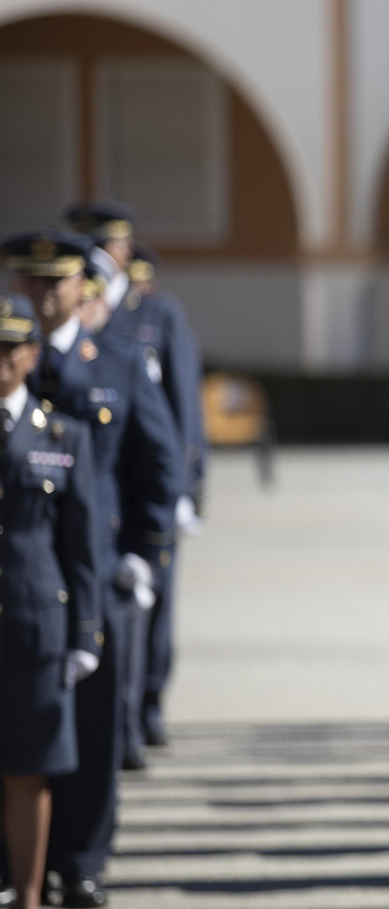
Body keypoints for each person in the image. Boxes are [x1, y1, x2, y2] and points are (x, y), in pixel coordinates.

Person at [5, 230, 182, 909]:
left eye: (56, 281)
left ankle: (80, 859)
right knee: (17, 731)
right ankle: (14, 869)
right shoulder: (8, 357)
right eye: (31, 280)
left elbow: (158, 461)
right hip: (19, 577)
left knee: (91, 722)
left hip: (94, 572)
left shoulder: (117, 361)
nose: (44, 293)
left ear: (82, 287)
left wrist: (143, 552)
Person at [63, 203, 205, 759]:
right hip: (97, 490)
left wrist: (189, 485)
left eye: (109, 244)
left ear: (125, 249)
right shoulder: (72, 312)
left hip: (142, 487)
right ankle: (115, 722)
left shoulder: (155, 312)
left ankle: (146, 703)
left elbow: (182, 405)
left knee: (152, 606)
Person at [0, 292, 102, 909]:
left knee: (27, 773)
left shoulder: (63, 437)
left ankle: (28, 908)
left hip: (33, 626)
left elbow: (83, 549)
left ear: (32, 355)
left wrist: (86, 635)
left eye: (9, 348)